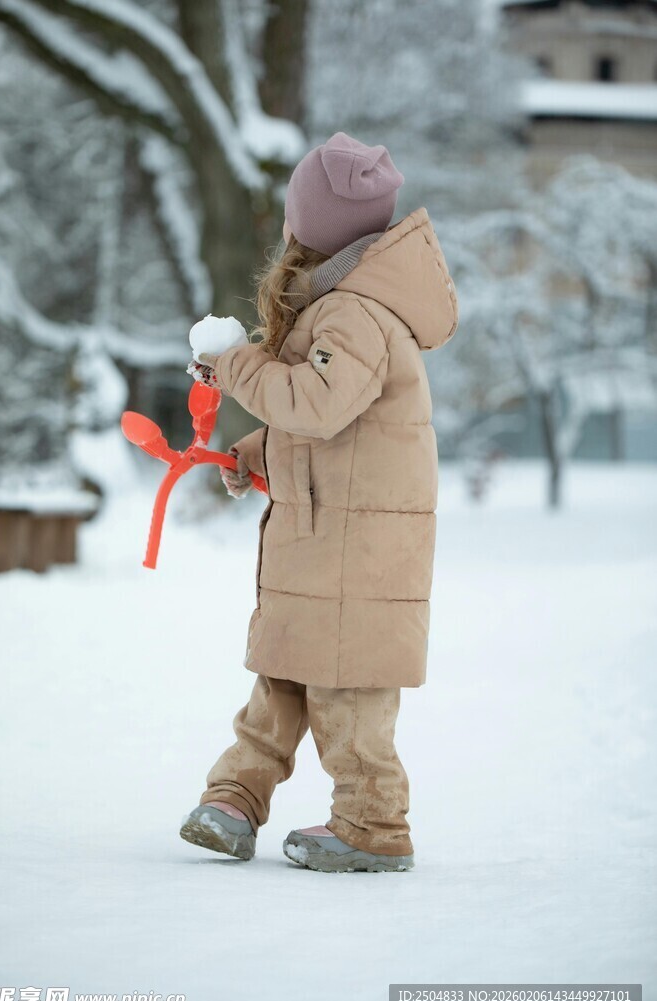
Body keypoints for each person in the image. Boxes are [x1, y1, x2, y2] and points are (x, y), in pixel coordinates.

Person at [180, 131, 458, 872]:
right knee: (280, 672)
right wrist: (258, 450)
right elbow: (331, 423)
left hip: (358, 552)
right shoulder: (340, 305)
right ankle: (233, 800)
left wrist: (234, 362)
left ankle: (372, 826)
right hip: (322, 535)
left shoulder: (357, 313)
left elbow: (319, 405)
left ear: (309, 223)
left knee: (348, 689)